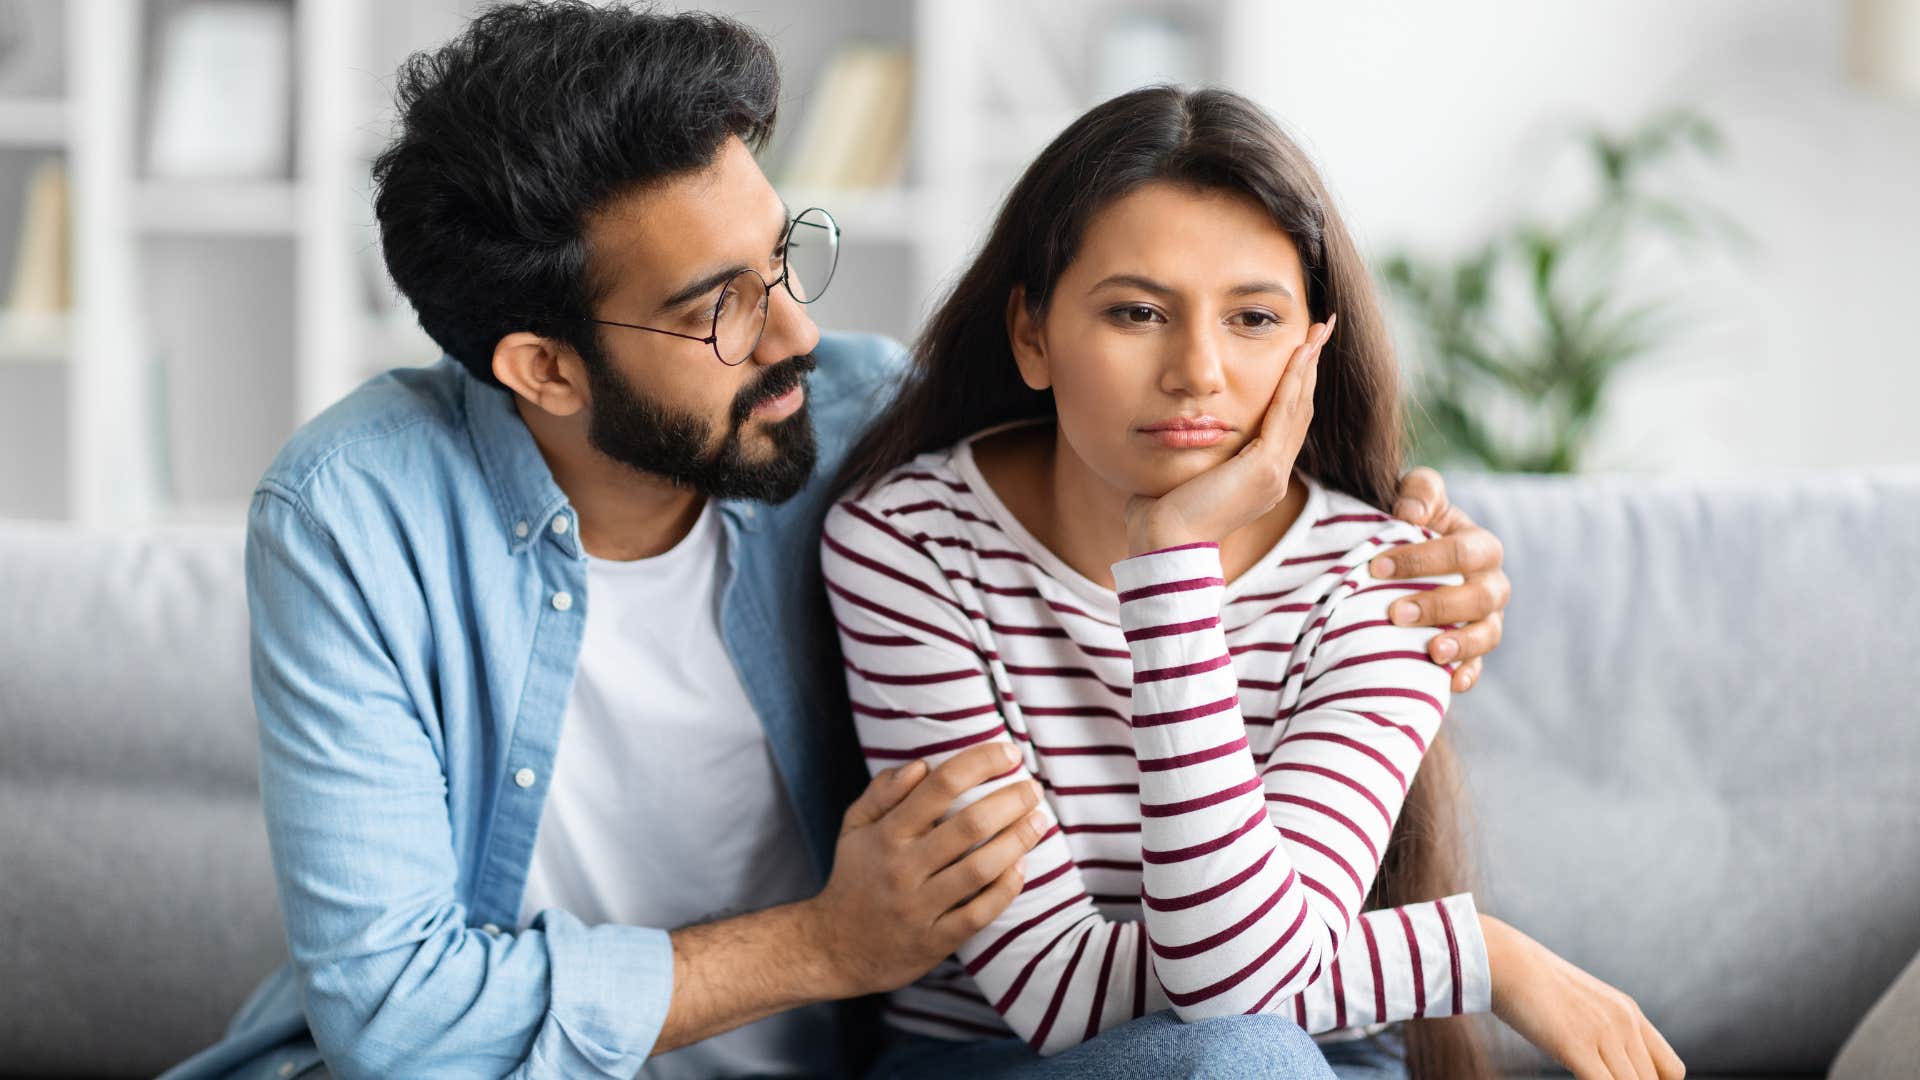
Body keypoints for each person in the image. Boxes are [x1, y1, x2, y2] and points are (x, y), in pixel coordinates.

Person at [158, 5, 1513, 1078]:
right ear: (544, 369)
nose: (797, 333)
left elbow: (1162, 461)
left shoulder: (855, 420)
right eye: (718, 310)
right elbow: (398, 1018)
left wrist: (1415, 542)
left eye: (783, 257)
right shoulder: (352, 521)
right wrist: (818, 946)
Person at [824, 86, 1683, 1080]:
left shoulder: (1393, 580)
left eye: (1253, 318)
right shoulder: (908, 543)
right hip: (998, 1064)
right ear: (1032, 335)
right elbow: (1055, 989)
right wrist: (1475, 955)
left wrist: (1165, 563)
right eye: (1137, 312)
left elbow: (1242, 996)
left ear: (1312, 348)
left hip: (1307, 1061)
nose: (1197, 370)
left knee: (1245, 1055)